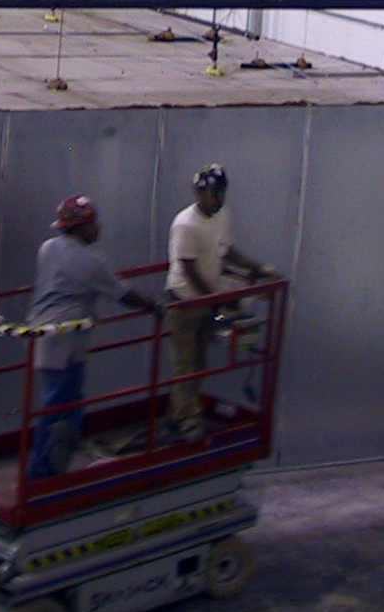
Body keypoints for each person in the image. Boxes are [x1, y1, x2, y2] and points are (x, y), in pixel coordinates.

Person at [26, 196, 160, 479]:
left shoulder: (48, 248)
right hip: (65, 344)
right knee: (58, 410)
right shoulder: (89, 261)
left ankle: (56, 462)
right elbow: (123, 294)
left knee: (65, 403)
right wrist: (153, 305)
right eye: (92, 224)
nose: (98, 228)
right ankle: (41, 474)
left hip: (48, 338)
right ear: (80, 228)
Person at [165, 164, 269, 440]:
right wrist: (216, 300)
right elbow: (187, 268)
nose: (215, 199)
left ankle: (180, 415)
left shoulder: (222, 216)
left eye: (218, 194)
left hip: (207, 300)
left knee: (198, 362)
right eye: (209, 193)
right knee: (185, 365)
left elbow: (227, 251)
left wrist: (258, 267)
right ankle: (189, 420)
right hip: (185, 302)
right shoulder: (186, 224)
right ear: (198, 194)